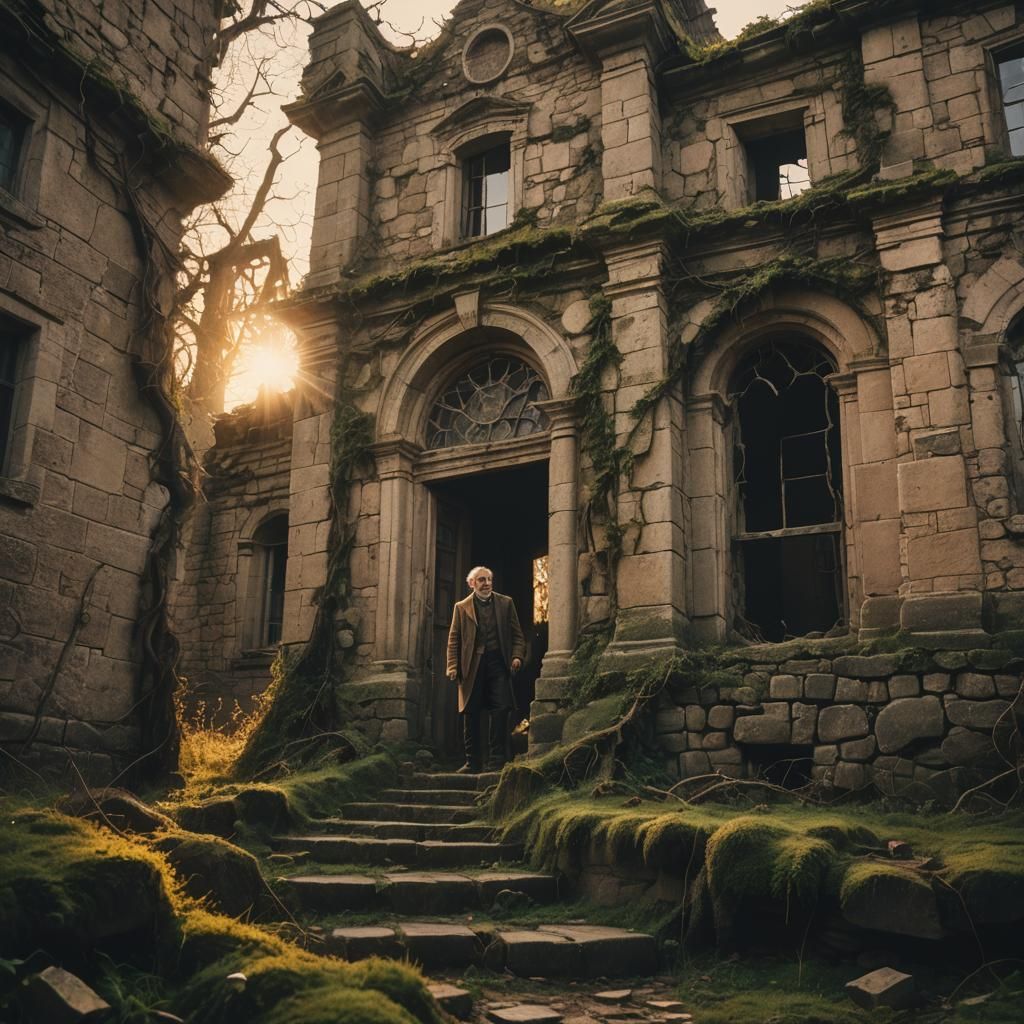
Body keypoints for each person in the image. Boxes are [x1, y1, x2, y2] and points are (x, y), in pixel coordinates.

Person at [446, 566, 525, 773]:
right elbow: (454, 640)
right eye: (482, 580)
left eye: (489, 579)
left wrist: (517, 656)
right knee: (470, 711)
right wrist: (452, 666)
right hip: (471, 665)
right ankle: (472, 762)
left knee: (500, 709)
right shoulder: (461, 607)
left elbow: (517, 635)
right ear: (472, 583)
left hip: (497, 662)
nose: (487, 583)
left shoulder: (506, 603)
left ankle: (497, 760)